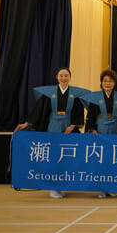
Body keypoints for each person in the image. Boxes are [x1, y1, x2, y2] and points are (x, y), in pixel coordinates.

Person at [14, 67, 89, 199]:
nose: (64, 78)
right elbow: (39, 110)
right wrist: (26, 123)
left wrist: (72, 126)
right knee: (55, 158)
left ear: (70, 77)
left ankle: (61, 186)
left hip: (68, 128)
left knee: (66, 158)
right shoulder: (49, 93)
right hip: (53, 127)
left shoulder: (74, 94)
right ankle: (53, 188)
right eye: (61, 75)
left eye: (66, 75)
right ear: (57, 77)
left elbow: (78, 112)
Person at [81, 69, 117, 199]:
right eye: (105, 81)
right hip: (100, 131)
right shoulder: (95, 98)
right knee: (100, 160)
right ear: (101, 82)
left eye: (110, 81)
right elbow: (91, 116)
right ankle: (102, 188)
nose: (107, 83)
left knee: (114, 160)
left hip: (116, 131)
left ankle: (113, 187)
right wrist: (92, 129)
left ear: (114, 83)